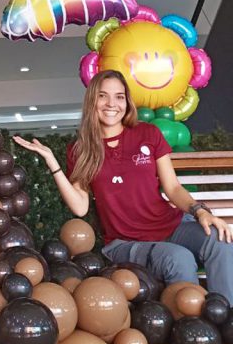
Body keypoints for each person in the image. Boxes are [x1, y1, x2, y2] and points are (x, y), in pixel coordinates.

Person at [14, 70, 233, 300]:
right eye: (103, 96)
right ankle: (194, 330)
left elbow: (173, 188)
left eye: (119, 96)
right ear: (92, 101)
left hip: (171, 226)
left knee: (220, 239)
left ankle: (227, 320)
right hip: (125, 242)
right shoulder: (81, 149)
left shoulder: (147, 133)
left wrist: (200, 212)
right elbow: (80, 207)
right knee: (178, 258)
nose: (112, 104)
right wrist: (53, 163)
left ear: (127, 102)